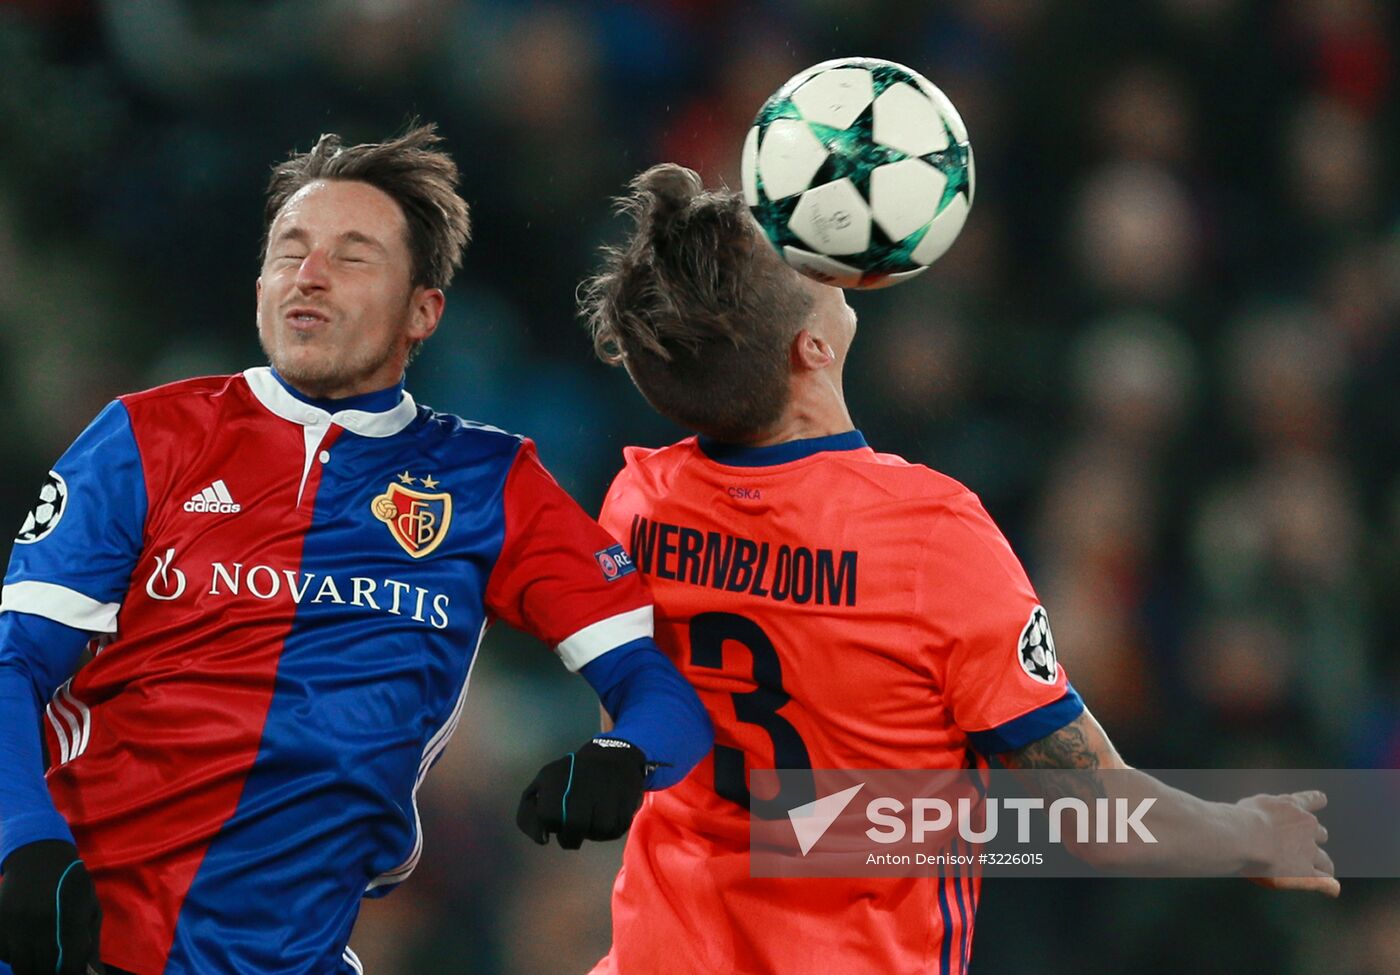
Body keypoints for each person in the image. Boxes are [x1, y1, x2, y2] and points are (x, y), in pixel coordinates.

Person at [577, 164, 1338, 975]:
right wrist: (1249, 833)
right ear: (814, 347)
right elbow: (1094, 816)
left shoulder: (638, 505)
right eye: (794, 255)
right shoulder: (926, 536)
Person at [0, 126, 712, 975]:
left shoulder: (489, 482)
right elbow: (13, 666)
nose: (309, 274)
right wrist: (22, 843)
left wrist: (625, 757)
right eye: (289, 251)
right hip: (68, 938)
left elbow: (660, 690)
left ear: (424, 311)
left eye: (353, 255)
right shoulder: (144, 438)